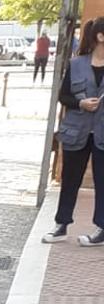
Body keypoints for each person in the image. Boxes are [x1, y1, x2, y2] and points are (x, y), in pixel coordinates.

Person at [47, 17, 104, 247]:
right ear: (100, 36)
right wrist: (81, 104)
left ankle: (101, 227)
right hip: (77, 131)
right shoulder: (77, 64)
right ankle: (61, 225)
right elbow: (63, 96)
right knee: (69, 180)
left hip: (101, 133)